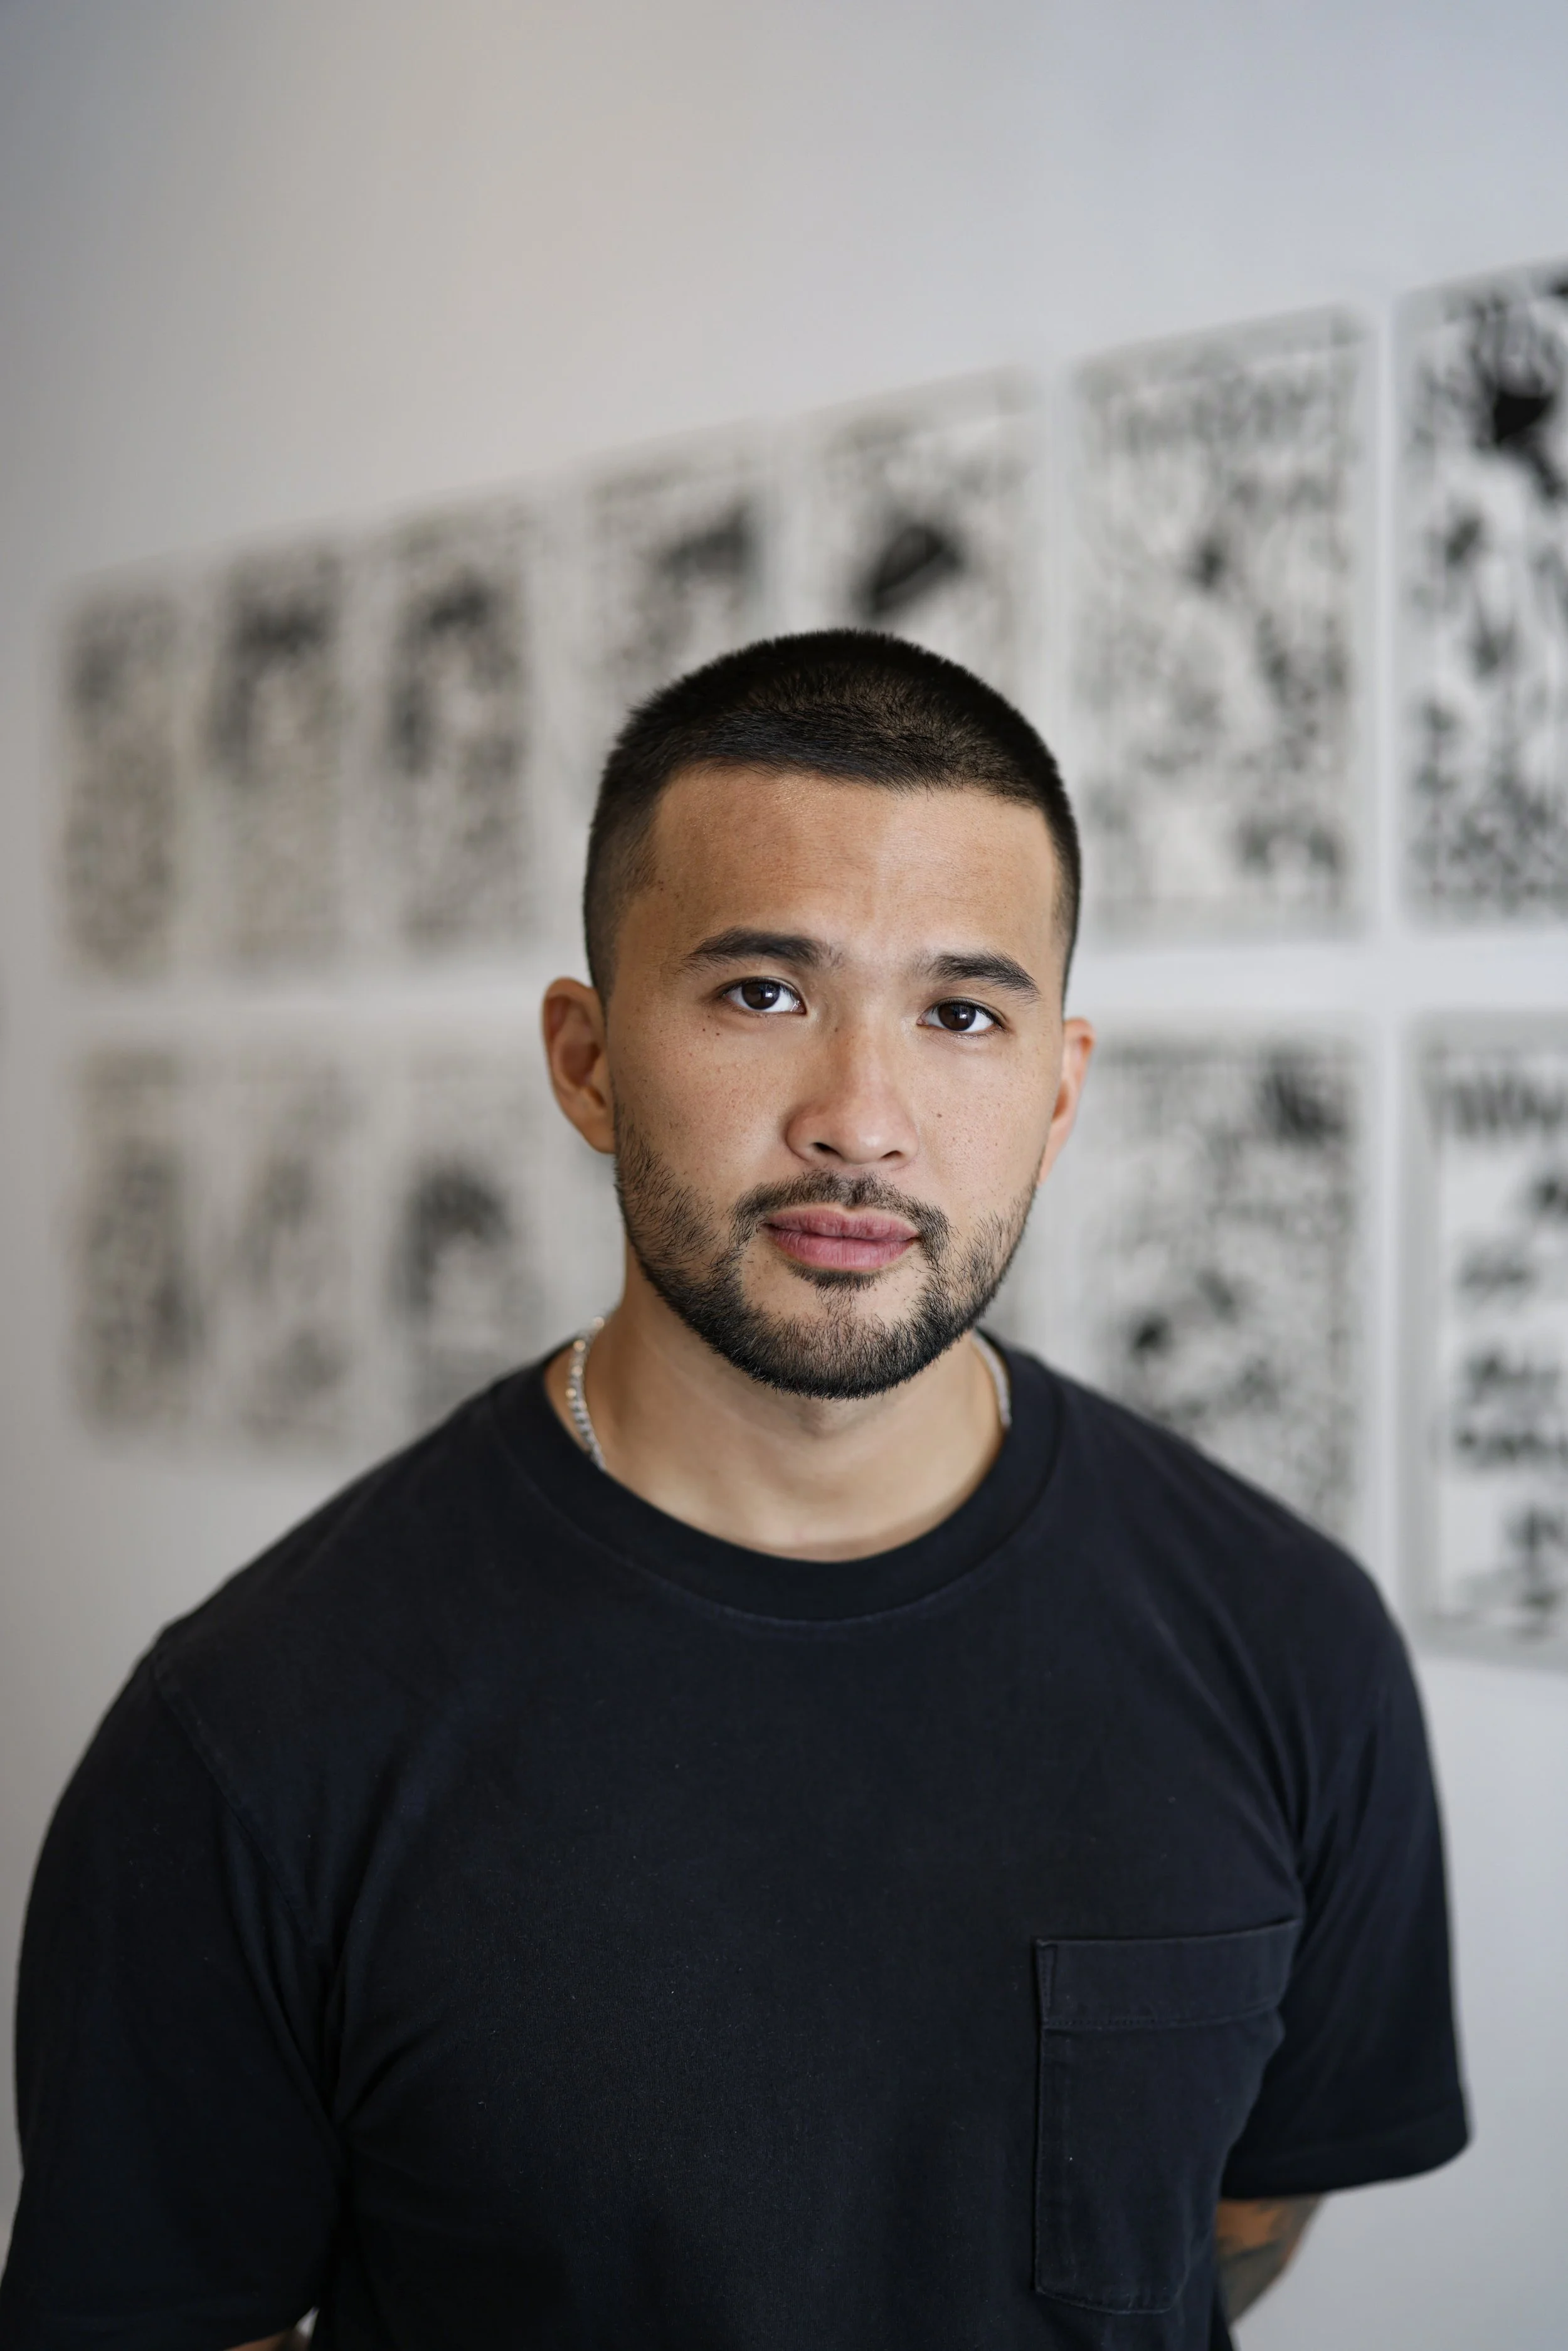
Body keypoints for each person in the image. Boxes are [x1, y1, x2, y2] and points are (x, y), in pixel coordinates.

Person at [0, 632, 1467, 2351]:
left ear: (1057, 1091)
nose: (860, 1120)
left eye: (961, 1014)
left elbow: (1234, 2211)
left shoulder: (1286, 1639)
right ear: (586, 1059)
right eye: (763, 992)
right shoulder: (253, 1733)